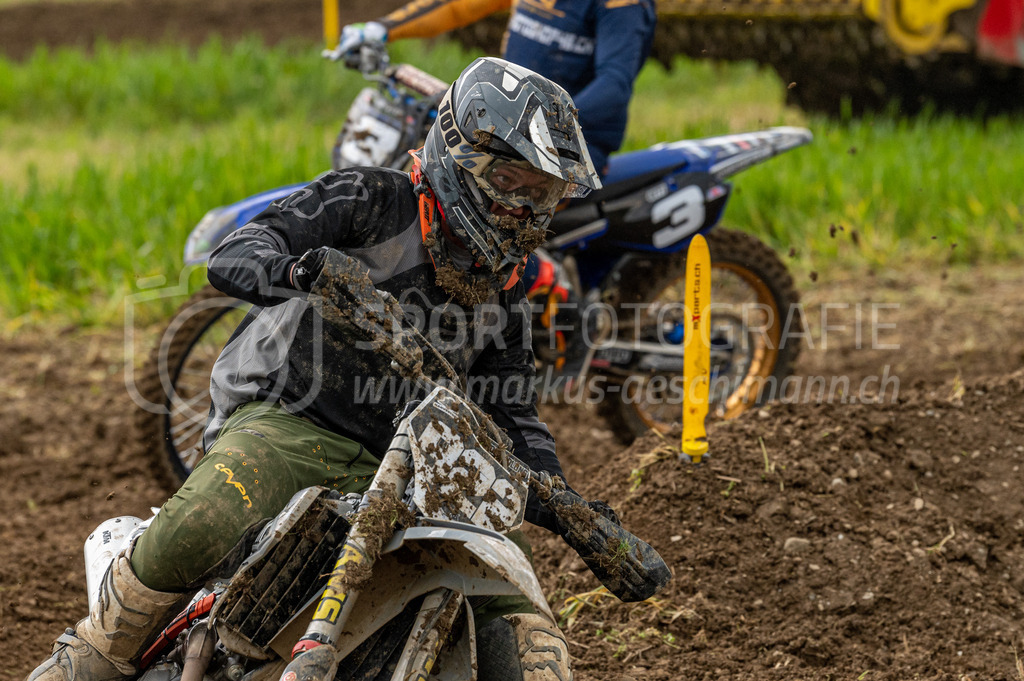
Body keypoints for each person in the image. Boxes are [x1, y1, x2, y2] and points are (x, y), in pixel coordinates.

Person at [25, 57, 606, 681]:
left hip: (423, 466)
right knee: (196, 527)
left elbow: (512, 410)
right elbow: (238, 252)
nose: (528, 211)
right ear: (463, 154)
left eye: (543, 195)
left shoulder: (507, 285)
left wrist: (560, 494)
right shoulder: (368, 200)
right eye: (517, 184)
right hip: (294, 423)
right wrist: (300, 270)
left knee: (531, 636)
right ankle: (89, 658)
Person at [334, 0, 657, 178]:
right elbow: (457, 6)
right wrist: (383, 28)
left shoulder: (624, 6)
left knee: (481, 235)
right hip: (500, 126)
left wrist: (543, 124)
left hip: (566, 148)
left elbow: (614, 84)